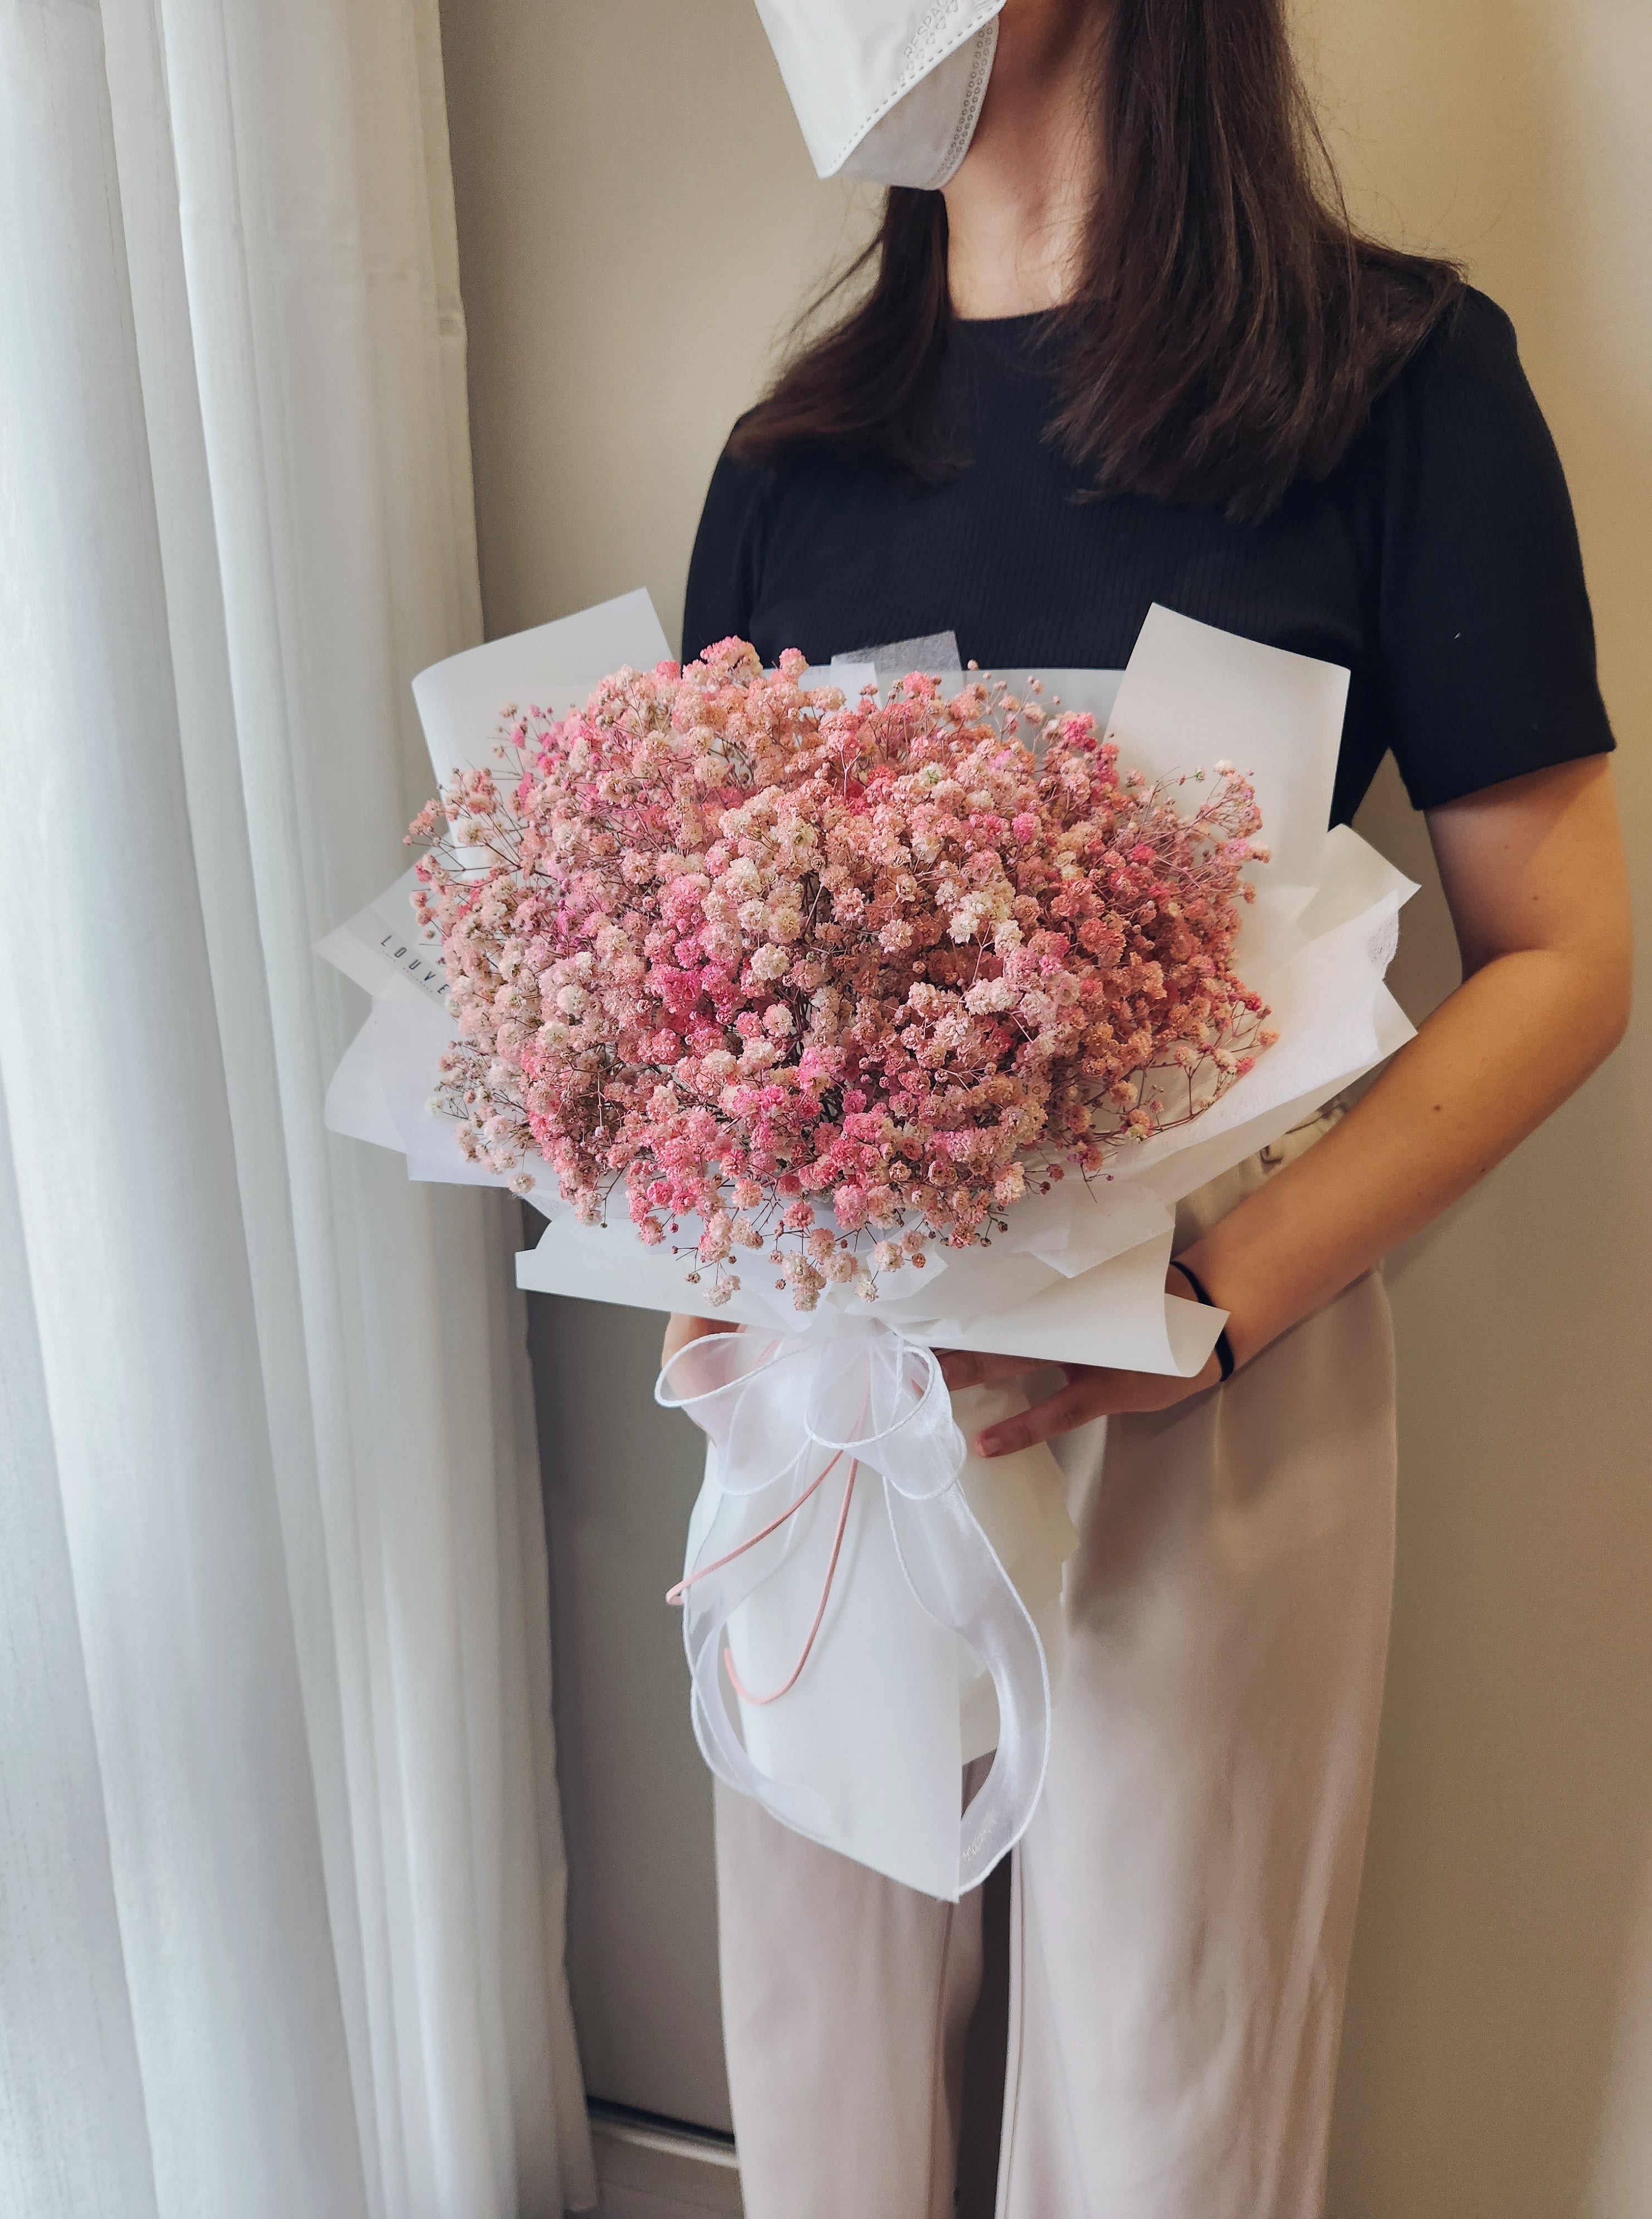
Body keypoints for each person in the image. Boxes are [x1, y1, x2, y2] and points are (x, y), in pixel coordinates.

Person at [665, 3, 1632, 2211]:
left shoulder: (1391, 391)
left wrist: (1200, 1295)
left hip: (1221, 1379)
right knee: (826, 2074)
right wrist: (702, 1259)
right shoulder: (792, 460)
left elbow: (1567, 956)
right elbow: (701, 976)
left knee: (1167, 2083)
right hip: (831, 1390)